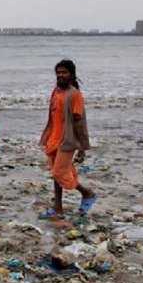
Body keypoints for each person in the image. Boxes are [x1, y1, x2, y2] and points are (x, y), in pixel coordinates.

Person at [39, 59, 97, 218]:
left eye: (64, 72)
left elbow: (79, 121)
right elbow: (52, 115)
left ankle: (87, 193)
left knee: (59, 172)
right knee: (55, 172)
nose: (60, 75)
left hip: (67, 140)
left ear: (71, 74)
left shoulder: (74, 94)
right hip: (54, 138)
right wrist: (47, 135)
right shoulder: (56, 91)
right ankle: (58, 207)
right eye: (58, 72)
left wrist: (82, 147)